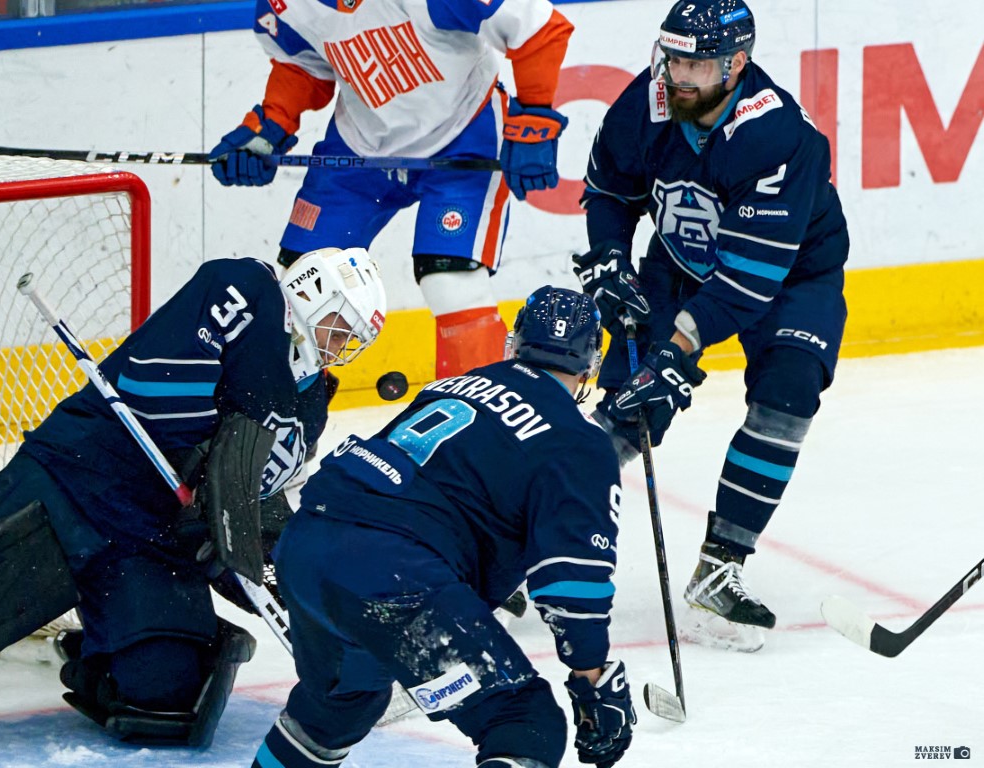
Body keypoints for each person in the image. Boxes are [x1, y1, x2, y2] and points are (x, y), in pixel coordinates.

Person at [0, 247, 387, 746]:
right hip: (80, 479)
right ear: (313, 290)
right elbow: (156, 382)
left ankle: (93, 644)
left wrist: (260, 561)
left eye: (355, 340)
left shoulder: (309, 406)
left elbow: (251, 500)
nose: (343, 346)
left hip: (149, 539)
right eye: (342, 325)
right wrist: (211, 481)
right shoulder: (247, 288)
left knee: (168, 702)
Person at [251, 285, 636, 768]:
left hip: (307, 543)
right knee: (523, 723)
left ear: (513, 344)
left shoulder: (457, 385)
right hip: (392, 575)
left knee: (340, 702)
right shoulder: (580, 441)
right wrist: (590, 676)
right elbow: (572, 581)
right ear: (589, 367)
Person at [572, 0, 848, 652]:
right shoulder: (645, 103)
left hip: (790, 281)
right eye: (672, 57)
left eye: (695, 62)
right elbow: (610, 192)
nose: (677, 74)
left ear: (736, 64)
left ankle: (720, 565)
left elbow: (746, 283)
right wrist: (611, 261)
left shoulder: (777, 137)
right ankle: (523, 539)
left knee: (788, 391)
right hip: (674, 266)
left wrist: (673, 349)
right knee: (628, 409)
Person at [209, 0, 574, 379]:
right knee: (302, 285)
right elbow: (302, 63)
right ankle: (279, 418)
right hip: (359, 146)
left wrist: (535, 117)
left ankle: (486, 418)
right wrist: (269, 126)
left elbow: (539, 27)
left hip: (464, 134)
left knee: (451, 284)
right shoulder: (286, 5)